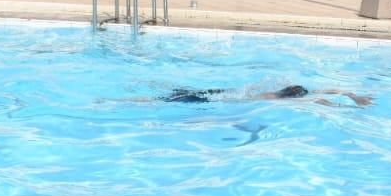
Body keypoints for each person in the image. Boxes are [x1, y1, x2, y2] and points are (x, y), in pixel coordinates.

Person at [158, 85, 372, 106]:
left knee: (174, 96)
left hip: (222, 92)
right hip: (222, 100)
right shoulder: (278, 100)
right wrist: (348, 103)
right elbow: (320, 98)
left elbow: (322, 92)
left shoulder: (277, 93)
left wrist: (352, 95)